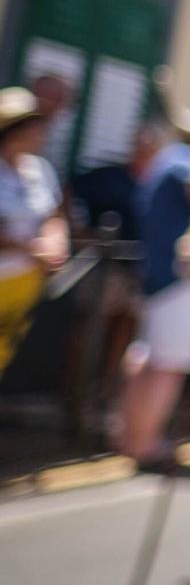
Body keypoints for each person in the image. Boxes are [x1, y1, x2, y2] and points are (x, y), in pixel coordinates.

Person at [115, 119, 190, 470]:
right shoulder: (187, 163)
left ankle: (131, 437)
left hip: (159, 276)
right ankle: (146, 443)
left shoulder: (166, 160)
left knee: (147, 357)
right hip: (179, 278)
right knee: (167, 367)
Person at [0, 88, 67, 376]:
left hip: (24, 282)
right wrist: (30, 249)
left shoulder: (40, 170)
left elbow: (54, 214)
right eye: (33, 125)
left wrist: (56, 242)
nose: (41, 131)